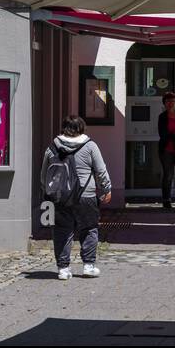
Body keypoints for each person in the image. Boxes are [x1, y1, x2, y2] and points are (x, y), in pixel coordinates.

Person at [41, 114, 112, 280]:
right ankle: (88, 265)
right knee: (89, 228)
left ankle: (63, 269)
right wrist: (106, 188)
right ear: (82, 128)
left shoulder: (52, 147)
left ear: (63, 128)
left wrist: (47, 192)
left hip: (60, 196)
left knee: (61, 230)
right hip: (85, 195)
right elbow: (101, 170)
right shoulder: (90, 146)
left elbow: (44, 174)